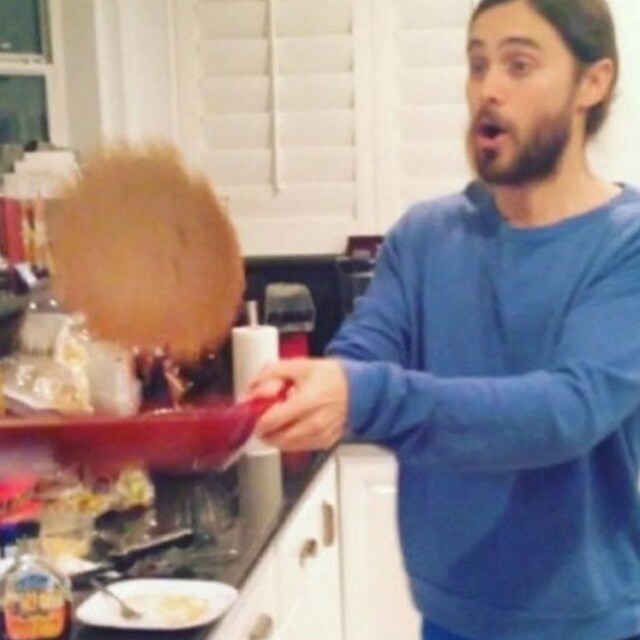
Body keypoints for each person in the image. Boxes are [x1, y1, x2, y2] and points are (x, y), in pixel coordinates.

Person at [250, 0, 640, 638]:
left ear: (591, 83)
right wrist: (318, 386)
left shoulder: (626, 245)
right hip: (448, 617)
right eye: (478, 64)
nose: (488, 89)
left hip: (588, 624)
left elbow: (566, 411)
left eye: (519, 65)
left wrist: (365, 396)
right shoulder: (424, 236)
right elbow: (366, 350)